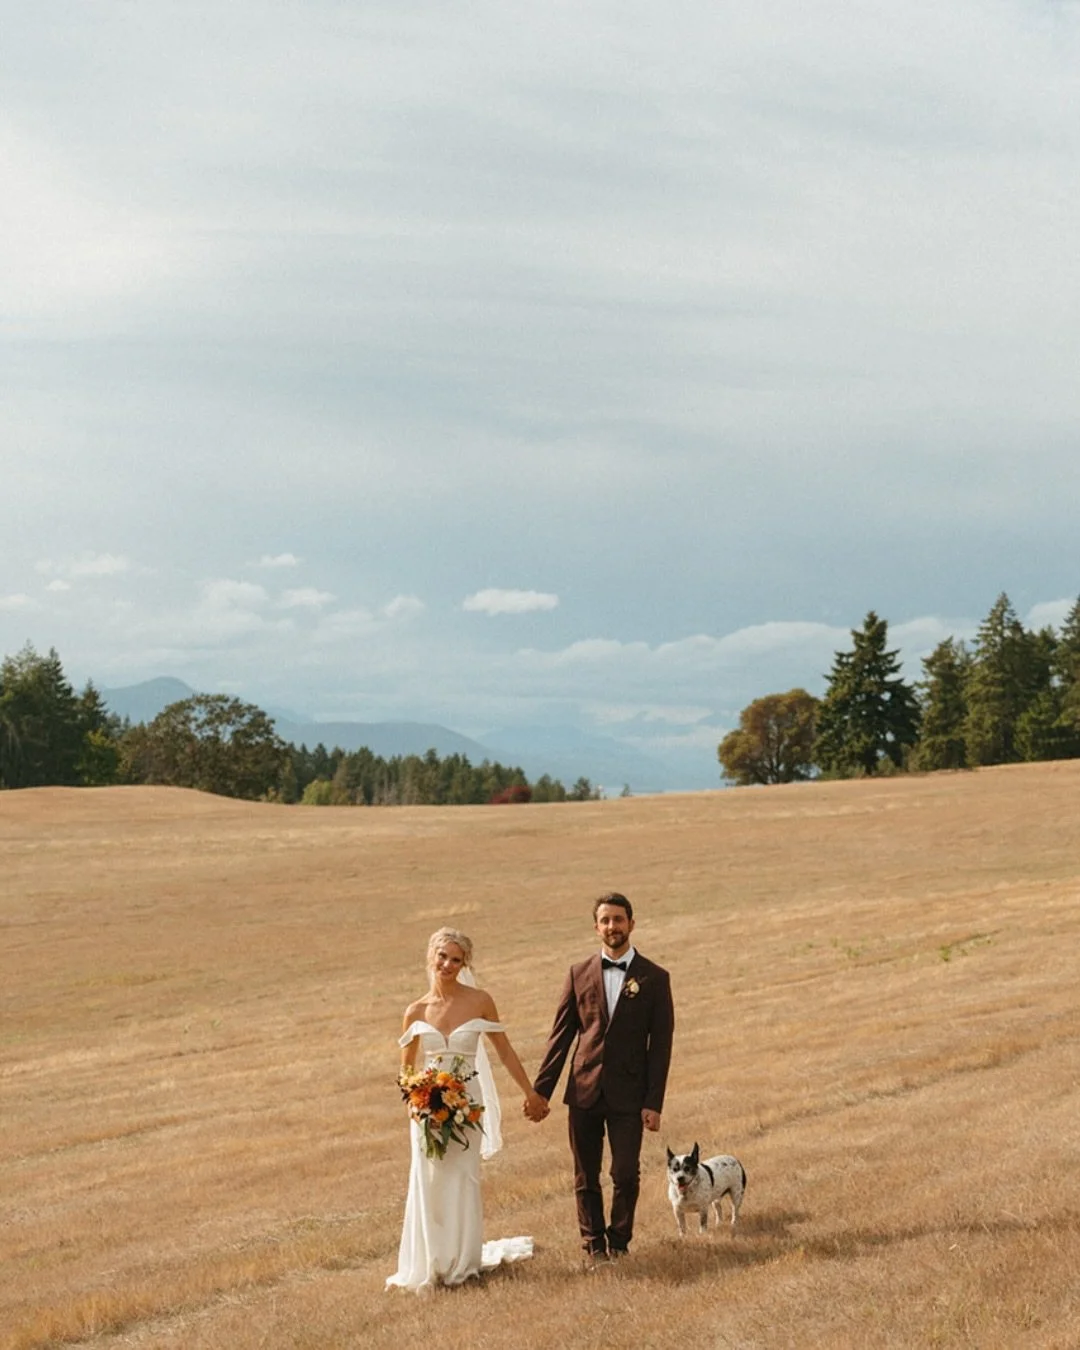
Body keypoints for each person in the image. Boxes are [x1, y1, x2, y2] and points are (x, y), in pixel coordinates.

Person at [386, 927, 547, 1293]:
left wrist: (530, 1093)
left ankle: (463, 1262)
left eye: (456, 959)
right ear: (431, 956)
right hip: (426, 1108)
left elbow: (503, 1051)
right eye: (443, 957)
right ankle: (431, 1262)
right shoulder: (415, 1011)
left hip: (467, 1104)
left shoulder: (479, 1001)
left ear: (464, 964)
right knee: (428, 1180)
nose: (447, 965)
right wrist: (419, 1104)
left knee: (463, 1176)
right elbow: (406, 1071)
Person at [529, 892, 674, 1264]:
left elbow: (660, 1046)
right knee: (585, 1176)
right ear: (596, 927)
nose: (613, 926)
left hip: (630, 1095)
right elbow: (560, 1037)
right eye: (605, 920)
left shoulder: (655, 978)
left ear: (631, 924)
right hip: (584, 1091)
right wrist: (540, 1092)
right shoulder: (578, 975)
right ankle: (594, 1247)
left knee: (625, 1173)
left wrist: (653, 1103)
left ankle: (620, 1242)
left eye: (619, 919)